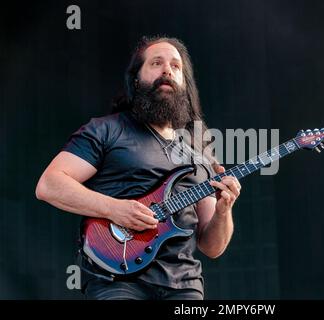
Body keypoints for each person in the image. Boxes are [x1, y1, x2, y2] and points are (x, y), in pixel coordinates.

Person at [35, 36, 241, 300]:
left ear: (184, 85)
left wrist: (224, 210)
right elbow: (49, 184)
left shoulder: (201, 151)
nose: (167, 69)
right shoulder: (106, 130)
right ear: (136, 79)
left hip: (184, 285)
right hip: (117, 279)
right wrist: (115, 209)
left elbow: (212, 247)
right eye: (156, 63)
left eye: (176, 66)